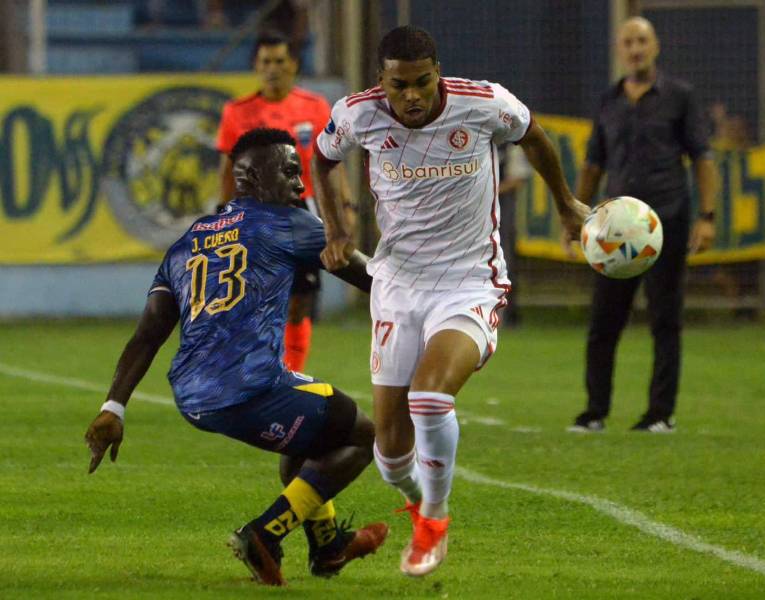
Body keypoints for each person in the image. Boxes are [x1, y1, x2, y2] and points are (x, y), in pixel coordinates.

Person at [311, 25, 589, 577]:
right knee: (391, 457)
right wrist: (336, 228)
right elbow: (321, 158)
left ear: (437, 73)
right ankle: (419, 502)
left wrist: (565, 204)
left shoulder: (483, 104)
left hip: (469, 282)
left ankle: (434, 520)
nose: (412, 96)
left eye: (422, 82)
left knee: (430, 396)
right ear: (381, 81)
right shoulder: (358, 115)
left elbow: (534, 136)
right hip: (397, 286)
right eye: (399, 86)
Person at [84, 128, 387, 587]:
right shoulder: (286, 222)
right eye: (289, 172)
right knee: (363, 436)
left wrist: (114, 407)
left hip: (193, 398)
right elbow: (376, 280)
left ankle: (328, 549)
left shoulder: (188, 241)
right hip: (251, 386)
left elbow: (148, 334)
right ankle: (264, 534)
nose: (300, 185)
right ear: (248, 177)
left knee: (310, 436)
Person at [564, 17, 717, 434]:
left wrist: (707, 217)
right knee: (603, 323)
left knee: (666, 320)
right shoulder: (608, 101)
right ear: (619, 49)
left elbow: (703, 157)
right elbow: (593, 163)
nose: (636, 49)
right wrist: (574, 216)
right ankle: (594, 412)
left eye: (642, 41)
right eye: (628, 42)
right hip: (614, 232)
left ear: (656, 47)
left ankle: (660, 414)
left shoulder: (680, 96)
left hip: (666, 221)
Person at [217, 31, 335, 374]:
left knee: (299, 302)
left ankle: (290, 374)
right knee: (253, 299)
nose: (273, 69)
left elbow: (328, 165)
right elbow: (228, 168)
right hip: (255, 214)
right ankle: (254, 371)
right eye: (266, 61)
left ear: (293, 65)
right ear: (256, 66)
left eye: (280, 61)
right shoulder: (237, 112)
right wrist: (223, 214)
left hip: (302, 211)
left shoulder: (315, 108)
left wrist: (340, 213)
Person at [498, 144, 532, 326]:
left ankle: (507, 315)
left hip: (502, 211)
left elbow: (518, 179)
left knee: (505, 260)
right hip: (473, 212)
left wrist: (490, 190)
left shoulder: (509, 145)